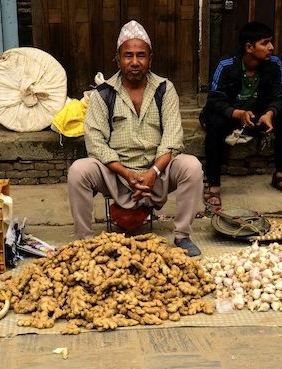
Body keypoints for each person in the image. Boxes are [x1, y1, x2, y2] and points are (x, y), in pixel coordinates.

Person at [67, 20, 203, 257]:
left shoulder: (164, 89)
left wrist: (153, 173)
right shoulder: (103, 94)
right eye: (128, 55)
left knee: (192, 166)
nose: (134, 62)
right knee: (79, 170)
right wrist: (126, 174)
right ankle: (84, 241)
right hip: (116, 175)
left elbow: (173, 137)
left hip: (158, 172)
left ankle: (182, 236)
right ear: (117, 59)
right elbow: (95, 142)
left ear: (151, 58)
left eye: (141, 55)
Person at [200, 21, 282, 208]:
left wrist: (270, 114)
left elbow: (278, 97)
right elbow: (215, 99)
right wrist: (237, 113)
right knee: (214, 124)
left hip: (257, 116)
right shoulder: (226, 65)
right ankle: (213, 183)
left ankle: (281, 175)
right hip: (230, 116)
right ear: (249, 47)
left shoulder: (274, 64)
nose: (271, 48)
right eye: (265, 43)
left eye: (270, 42)